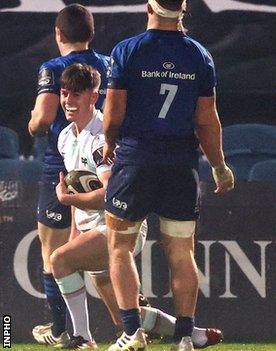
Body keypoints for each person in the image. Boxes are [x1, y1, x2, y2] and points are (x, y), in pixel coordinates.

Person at [50, 63, 224, 350]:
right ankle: (193, 333)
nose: (68, 101)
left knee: (59, 261)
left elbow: (108, 194)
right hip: (89, 230)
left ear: (93, 97)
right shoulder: (65, 137)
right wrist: (74, 233)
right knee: (126, 317)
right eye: (65, 93)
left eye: (76, 94)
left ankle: (83, 338)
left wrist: (68, 199)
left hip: (115, 227)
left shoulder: (100, 137)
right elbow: (76, 192)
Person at [102, 0, 234, 350]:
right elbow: (208, 120)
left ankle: (132, 333)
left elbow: (113, 111)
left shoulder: (127, 50)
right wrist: (220, 166)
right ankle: (185, 335)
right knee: (181, 251)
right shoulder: (199, 55)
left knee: (119, 247)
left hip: (136, 161)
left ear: (149, 6)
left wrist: (107, 142)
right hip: (181, 165)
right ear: (184, 8)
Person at [27, 4, 109, 347]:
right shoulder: (109, 65)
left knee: (54, 253)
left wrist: (32, 121)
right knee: (106, 252)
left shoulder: (53, 67)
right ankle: (130, 319)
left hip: (62, 167)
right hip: (107, 160)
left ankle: (62, 330)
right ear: (90, 35)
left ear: (58, 34)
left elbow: (43, 120)